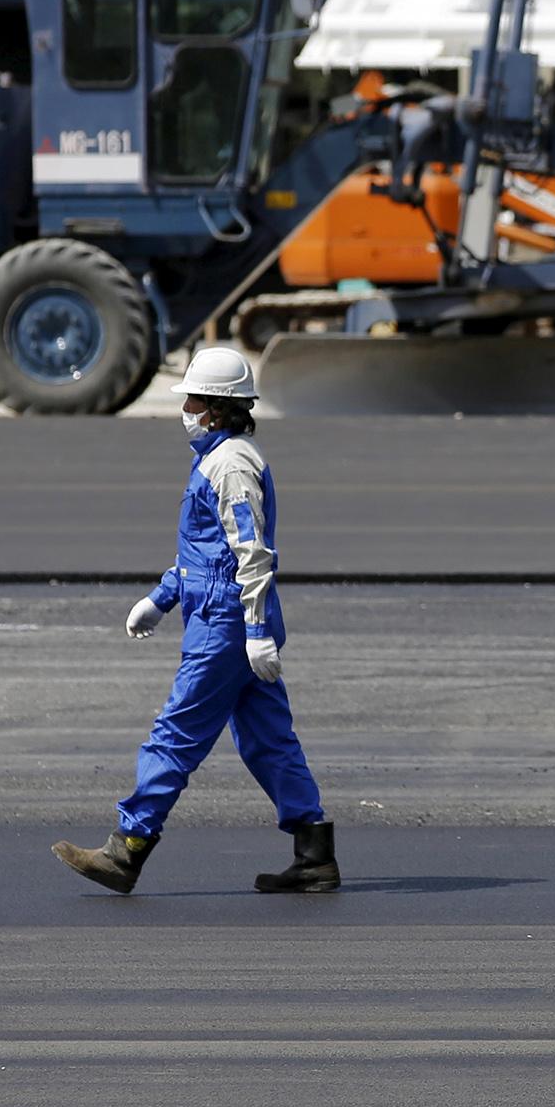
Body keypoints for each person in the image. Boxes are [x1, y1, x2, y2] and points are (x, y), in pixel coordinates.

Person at [52, 347, 338, 896]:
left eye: (192, 399)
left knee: (173, 736)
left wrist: (254, 632)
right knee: (269, 742)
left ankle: (126, 850)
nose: (184, 408)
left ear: (217, 408)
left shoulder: (229, 465)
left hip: (225, 628)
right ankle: (314, 854)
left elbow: (250, 554)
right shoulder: (219, 458)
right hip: (227, 619)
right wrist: (161, 598)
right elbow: (205, 553)